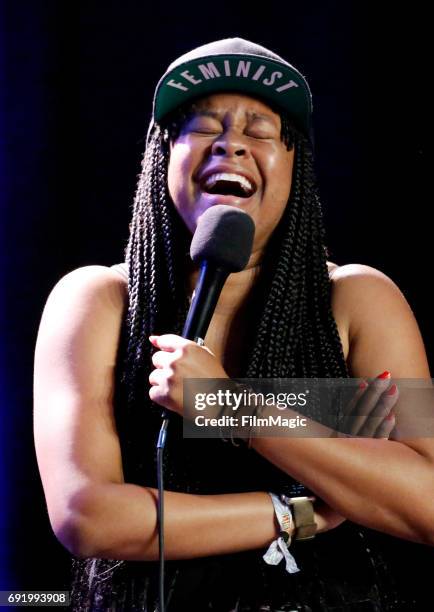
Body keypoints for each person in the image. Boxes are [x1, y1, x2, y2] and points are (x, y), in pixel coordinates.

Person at [33, 38, 434, 611]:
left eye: (260, 131)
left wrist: (224, 404)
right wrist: (294, 513)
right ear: (162, 154)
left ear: (293, 164)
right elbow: (88, 516)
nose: (232, 145)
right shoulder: (96, 301)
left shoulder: (358, 299)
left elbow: (425, 502)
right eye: (203, 127)